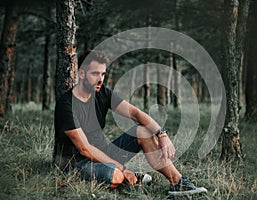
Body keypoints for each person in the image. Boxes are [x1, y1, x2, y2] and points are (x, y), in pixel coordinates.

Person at [53, 50, 207, 195]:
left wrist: (162, 133)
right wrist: (121, 168)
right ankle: (127, 177)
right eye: (95, 74)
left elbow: (135, 113)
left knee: (144, 131)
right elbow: (85, 149)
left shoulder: (103, 93)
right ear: (81, 73)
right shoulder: (66, 105)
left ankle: (178, 183)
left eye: (103, 74)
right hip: (77, 164)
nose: (100, 79)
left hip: (103, 154)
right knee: (115, 176)